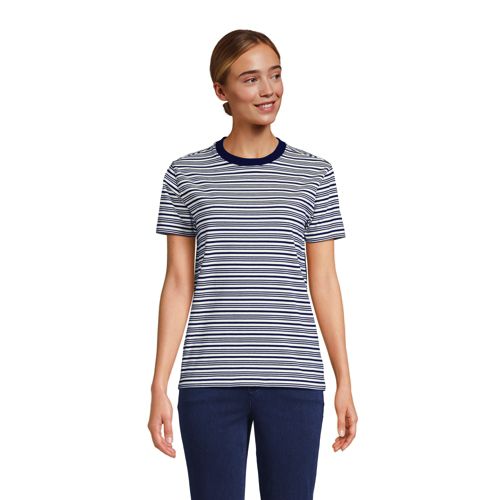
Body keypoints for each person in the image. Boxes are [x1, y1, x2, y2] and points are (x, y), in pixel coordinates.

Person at [148, 29, 358, 500]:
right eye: (251, 79)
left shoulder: (314, 173)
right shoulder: (185, 174)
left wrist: (344, 379)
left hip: (294, 378)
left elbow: (324, 281)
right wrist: (159, 384)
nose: (269, 90)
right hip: (209, 380)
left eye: (275, 75)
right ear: (221, 91)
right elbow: (178, 283)